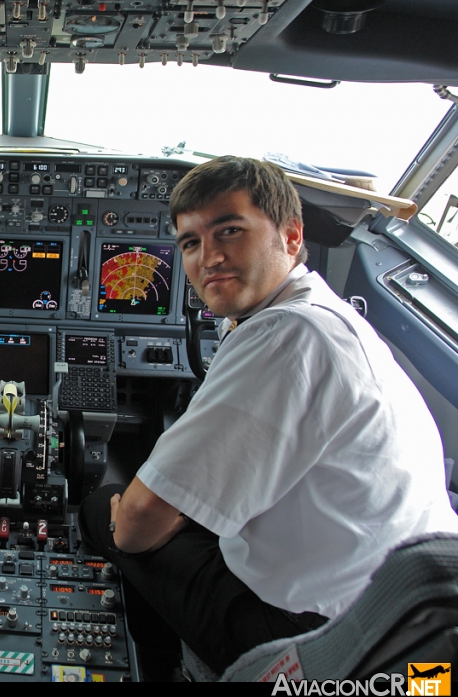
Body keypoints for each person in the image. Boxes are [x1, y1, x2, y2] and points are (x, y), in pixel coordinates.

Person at [78, 156, 458, 677]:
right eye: (190, 243)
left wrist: (124, 511)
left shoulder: (286, 336)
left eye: (229, 230)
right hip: (397, 602)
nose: (208, 257)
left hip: (317, 632)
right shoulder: (321, 314)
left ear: (293, 236)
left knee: (105, 513)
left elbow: (138, 525)